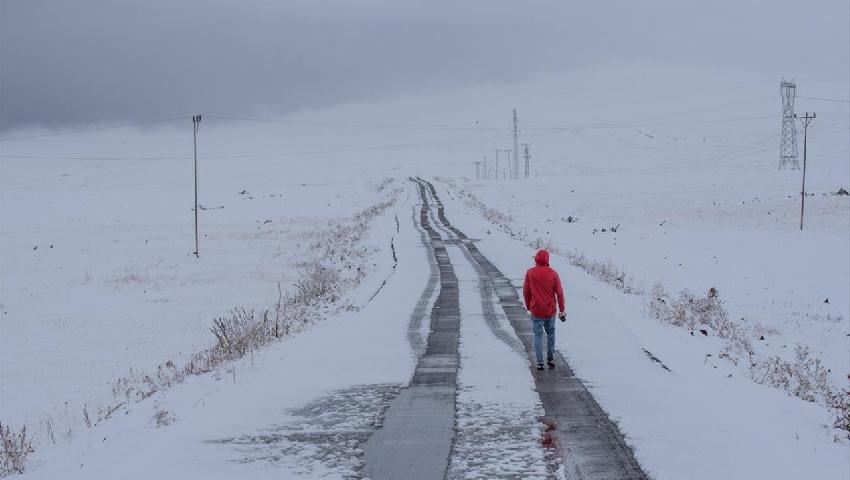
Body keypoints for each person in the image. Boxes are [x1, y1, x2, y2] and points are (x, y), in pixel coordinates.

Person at [522, 249, 566, 370]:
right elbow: (559, 293)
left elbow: (526, 292)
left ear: (536, 259)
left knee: (538, 335)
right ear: (547, 260)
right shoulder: (553, 274)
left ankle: (540, 362)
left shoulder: (530, 273)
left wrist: (529, 306)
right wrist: (562, 309)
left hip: (536, 309)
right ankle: (550, 358)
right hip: (550, 310)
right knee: (550, 333)